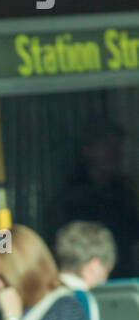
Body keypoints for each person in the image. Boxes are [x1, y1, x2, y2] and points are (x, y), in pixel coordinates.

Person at [48, 116, 139, 279]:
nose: (115, 153)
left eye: (118, 146)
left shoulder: (125, 192)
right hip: (84, 279)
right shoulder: (71, 196)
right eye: (107, 145)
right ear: (87, 150)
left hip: (123, 281)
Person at [0, 224, 90, 320]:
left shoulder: (66, 311)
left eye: (3, 277)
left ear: (26, 272)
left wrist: (11, 318)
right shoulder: (3, 308)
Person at [54, 220, 118, 320]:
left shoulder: (38, 295)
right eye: (107, 271)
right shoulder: (87, 308)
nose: (105, 280)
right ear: (94, 267)